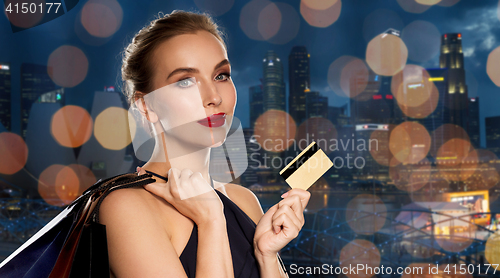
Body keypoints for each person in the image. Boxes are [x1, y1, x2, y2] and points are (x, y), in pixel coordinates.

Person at [99, 10, 310, 278]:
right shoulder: (126, 207)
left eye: (221, 75)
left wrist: (266, 256)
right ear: (145, 105)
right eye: (186, 81)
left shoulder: (243, 200)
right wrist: (211, 222)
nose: (213, 97)